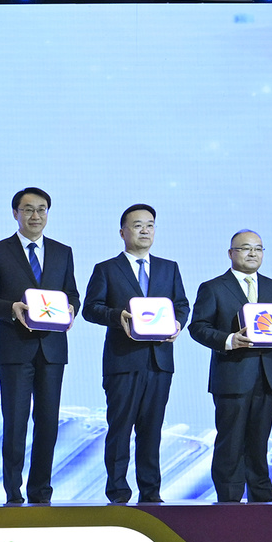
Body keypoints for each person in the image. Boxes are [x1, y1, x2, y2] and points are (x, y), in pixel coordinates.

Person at [0, 186, 79, 505]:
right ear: (15, 213)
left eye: (42, 209)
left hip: (52, 350)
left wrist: (71, 308)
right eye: (28, 209)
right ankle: (13, 493)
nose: (36, 215)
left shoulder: (63, 252)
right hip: (14, 349)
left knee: (48, 423)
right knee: (16, 422)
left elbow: (72, 294)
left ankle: (41, 492)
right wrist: (12, 308)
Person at [82, 204, 188, 504]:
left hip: (159, 361)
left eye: (150, 225)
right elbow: (91, 308)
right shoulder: (106, 269)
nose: (145, 230)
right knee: (120, 429)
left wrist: (178, 323)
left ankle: (151, 493)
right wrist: (118, 316)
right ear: (122, 232)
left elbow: (181, 305)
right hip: (122, 361)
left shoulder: (169, 268)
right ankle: (117, 492)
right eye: (138, 225)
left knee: (152, 430)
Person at [190, 230, 272, 502]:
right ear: (231, 253)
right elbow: (198, 327)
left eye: (258, 248)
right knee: (231, 442)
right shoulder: (213, 287)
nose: (253, 253)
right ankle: (229, 500)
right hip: (231, 376)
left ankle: (262, 499)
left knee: (259, 441)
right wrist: (229, 340)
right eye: (246, 248)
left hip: (267, 376)